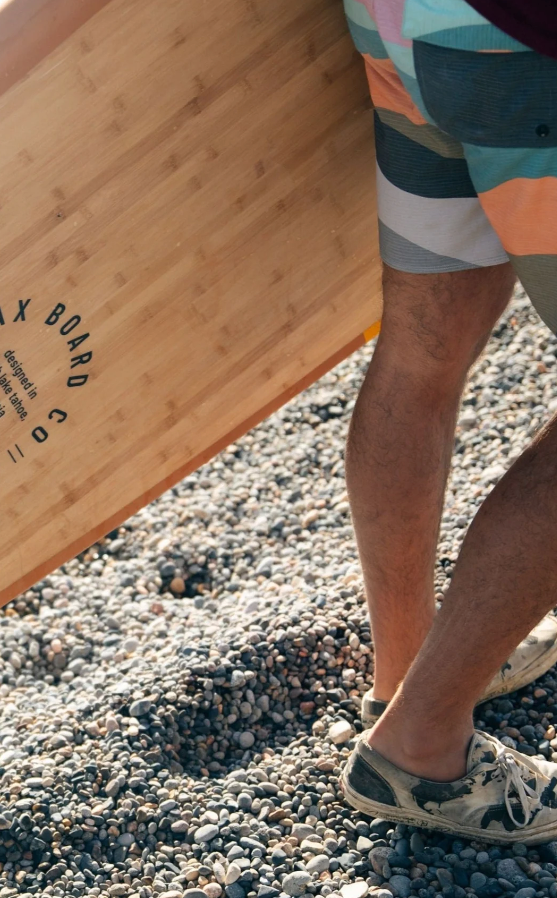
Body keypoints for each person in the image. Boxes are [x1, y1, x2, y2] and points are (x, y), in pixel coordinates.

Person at [337, 0, 557, 842]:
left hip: (415, 22)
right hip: (528, 47)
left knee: (423, 347)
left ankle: (404, 673)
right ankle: (422, 746)